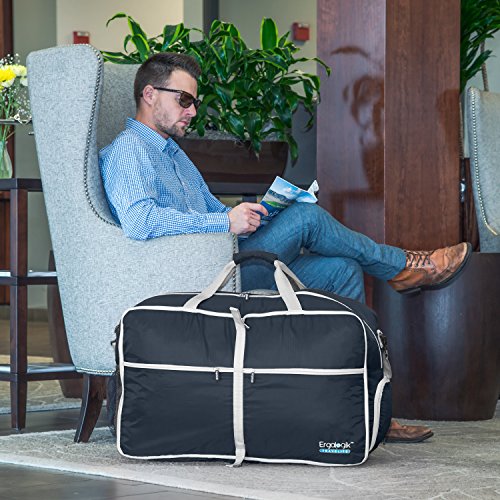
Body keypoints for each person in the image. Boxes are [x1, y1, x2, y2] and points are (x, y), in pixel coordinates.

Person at [99, 53, 471, 444]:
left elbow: (215, 215)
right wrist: (224, 223)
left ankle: (362, 405)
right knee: (307, 219)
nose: (192, 111)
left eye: (194, 101)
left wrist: (253, 216)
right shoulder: (129, 150)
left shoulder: (175, 156)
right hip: (202, 282)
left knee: (341, 270)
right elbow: (140, 222)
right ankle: (402, 266)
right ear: (150, 94)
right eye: (184, 100)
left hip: (226, 261)